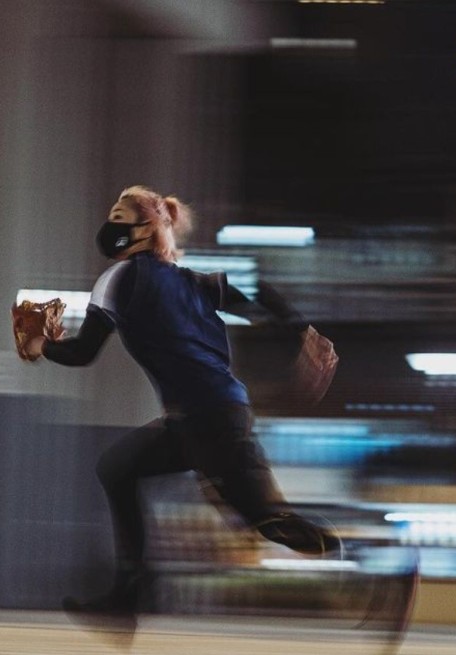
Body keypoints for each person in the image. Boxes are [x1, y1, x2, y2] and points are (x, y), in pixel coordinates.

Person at [24, 185, 338, 630]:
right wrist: (302, 329)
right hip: (219, 413)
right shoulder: (194, 283)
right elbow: (257, 296)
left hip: (201, 419)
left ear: (145, 228)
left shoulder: (118, 278)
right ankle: (130, 593)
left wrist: (41, 345)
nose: (109, 224)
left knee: (268, 522)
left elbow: (82, 353)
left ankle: (377, 578)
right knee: (119, 469)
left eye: (118, 215)